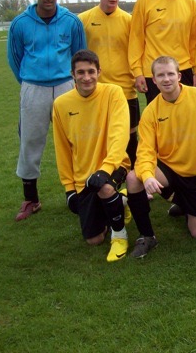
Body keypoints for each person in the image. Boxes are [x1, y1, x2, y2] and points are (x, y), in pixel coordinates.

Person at [7, 0, 86, 221]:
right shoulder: (20, 23)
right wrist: (31, 80)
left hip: (66, 86)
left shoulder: (71, 21)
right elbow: (15, 58)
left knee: (75, 140)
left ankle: (77, 192)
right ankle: (31, 198)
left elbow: (79, 53)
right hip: (33, 88)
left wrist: (72, 81)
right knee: (30, 141)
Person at [124, 56, 196, 258]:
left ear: (179, 76)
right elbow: (145, 151)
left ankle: (183, 202)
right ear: (154, 81)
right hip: (169, 169)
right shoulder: (151, 111)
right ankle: (147, 236)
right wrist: (147, 175)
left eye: (170, 74)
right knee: (134, 178)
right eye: (160, 75)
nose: (166, 79)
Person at [52, 50, 131, 262]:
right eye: (81, 72)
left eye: (91, 71)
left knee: (104, 187)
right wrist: (69, 188)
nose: (86, 77)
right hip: (82, 176)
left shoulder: (113, 93)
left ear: (99, 72)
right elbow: (62, 148)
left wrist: (105, 169)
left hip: (115, 164)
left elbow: (119, 133)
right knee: (93, 239)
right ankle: (121, 201)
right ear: (72, 74)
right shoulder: (61, 104)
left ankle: (119, 236)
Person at [78, 0, 139, 167]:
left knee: (129, 138)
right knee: (99, 138)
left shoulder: (130, 21)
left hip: (125, 91)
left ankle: (135, 182)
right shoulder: (83, 20)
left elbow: (137, 53)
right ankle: (100, 178)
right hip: (95, 91)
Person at [129, 0, 196, 104]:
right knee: (158, 120)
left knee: (185, 117)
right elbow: (136, 38)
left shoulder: (190, 1)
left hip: (183, 69)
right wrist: (137, 72)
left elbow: (194, 40)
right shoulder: (145, 0)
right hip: (154, 70)